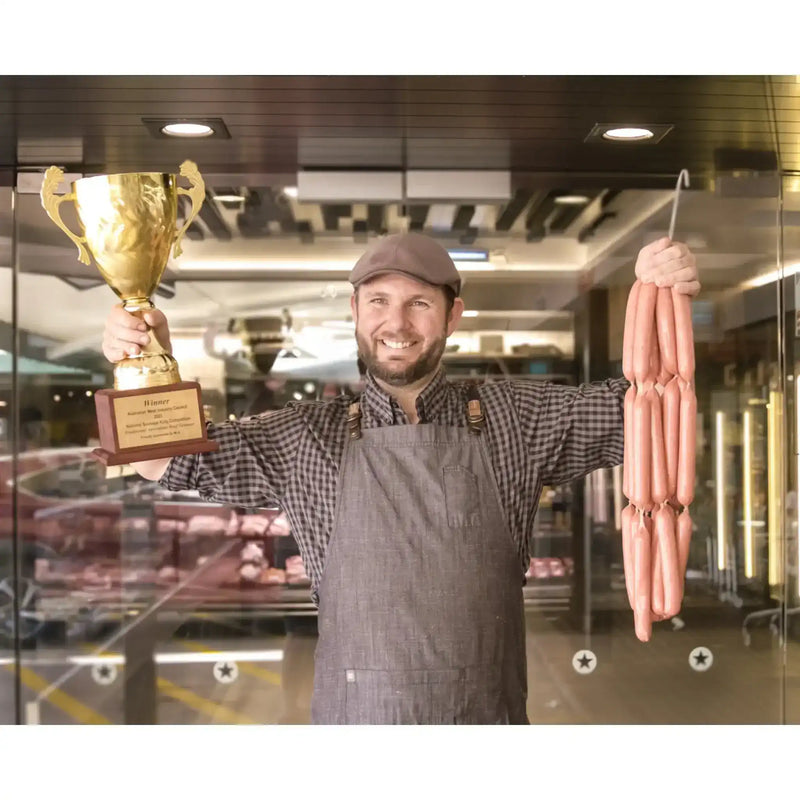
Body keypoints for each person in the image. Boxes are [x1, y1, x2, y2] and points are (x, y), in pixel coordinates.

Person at [102, 232, 700, 724]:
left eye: (419, 303)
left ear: (452, 315)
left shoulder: (517, 418)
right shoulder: (303, 436)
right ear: (355, 311)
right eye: (379, 301)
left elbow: (649, 410)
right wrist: (144, 361)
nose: (397, 322)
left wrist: (658, 294)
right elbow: (160, 459)